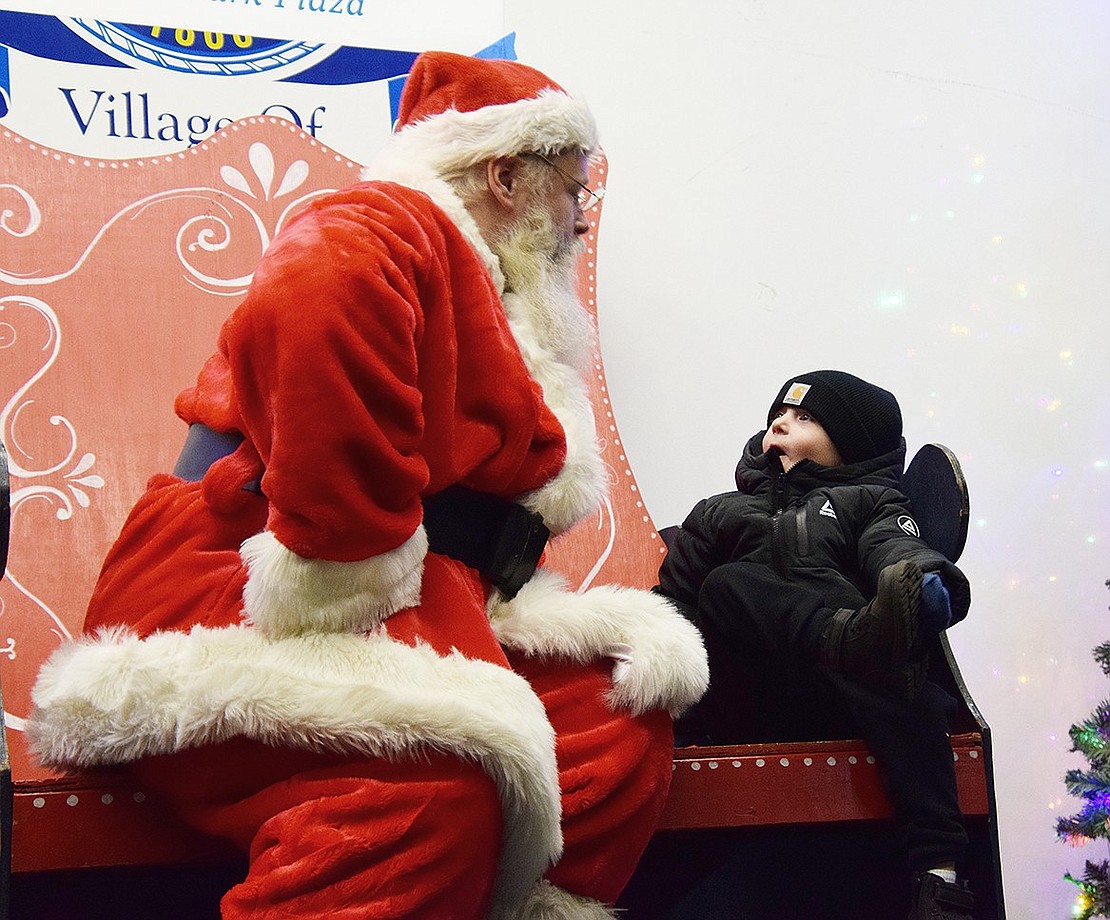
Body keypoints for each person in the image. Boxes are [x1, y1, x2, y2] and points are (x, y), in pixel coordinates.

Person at [27, 51, 708, 920]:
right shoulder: (389, 224)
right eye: (573, 189)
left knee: (617, 717)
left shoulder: (493, 289)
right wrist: (343, 566)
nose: (582, 219)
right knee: (435, 789)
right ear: (506, 175)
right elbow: (311, 288)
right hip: (235, 589)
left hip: (429, 599)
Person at [655, 369, 975, 920]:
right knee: (729, 585)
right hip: (744, 691)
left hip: (834, 690)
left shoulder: (868, 502)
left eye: (805, 418)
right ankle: (851, 639)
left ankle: (939, 872)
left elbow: (893, 549)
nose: (781, 422)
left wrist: (925, 584)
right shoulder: (720, 511)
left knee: (907, 686)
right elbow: (674, 601)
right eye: (779, 414)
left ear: (852, 444)